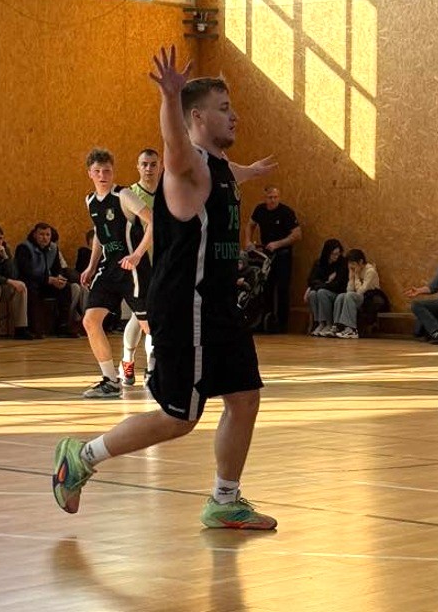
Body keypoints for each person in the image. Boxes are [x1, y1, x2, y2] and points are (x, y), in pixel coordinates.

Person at [52, 46, 279, 529]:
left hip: (219, 308)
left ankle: (225, 500)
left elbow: (228, 173)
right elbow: (174, 147)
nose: (234, 116)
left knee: (244, 398)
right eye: (224, 108)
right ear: (197, 117)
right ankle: (81, 457)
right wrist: (169, 98)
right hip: (186, 310)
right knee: (179, 418)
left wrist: (252, 172)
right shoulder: (187, 166)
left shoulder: (218, 168)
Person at [78, 147, 154, 400]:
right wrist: (91, 266)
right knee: (90, 321)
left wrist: (138, 255)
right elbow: (100, 234)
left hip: (132, 268)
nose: (103, 175)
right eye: (98, 171)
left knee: (149, 326)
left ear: (113, 172)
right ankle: (110, 380)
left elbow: (153, 221)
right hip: (108, 268)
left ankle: (169, 372)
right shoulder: (90, 200)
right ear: (90, 173)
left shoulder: (124, 195)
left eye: (107, 171)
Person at [120, 148, 162, 385]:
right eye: (144, 164)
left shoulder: (168, 193)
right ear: (137, 167)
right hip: (140, 265)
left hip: (164, 263)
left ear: (160, 166)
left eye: (153, 164)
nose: (148, 168)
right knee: (141, 316)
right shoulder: (130, 195)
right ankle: (129, 361)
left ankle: (151, 368)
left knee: (151, 316)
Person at [248, 186, 302, 333]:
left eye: (275, 197)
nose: (272, 200)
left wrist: (278, 244)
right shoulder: (260, 210)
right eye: (270, 197)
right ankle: (266, 322)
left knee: (282, 288)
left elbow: (297, 235)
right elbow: (250, 224)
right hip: (266, 255)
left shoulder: (286, 212)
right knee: (266, 287)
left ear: (279, 197)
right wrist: (248, 241)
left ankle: (282, 324)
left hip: (282, 254)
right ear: (265, 198)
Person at [15, 223, 77, 338]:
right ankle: (34, 329)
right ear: (35, 235)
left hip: (46, 282)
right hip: (30, 282)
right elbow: (26, 272)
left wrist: (59, 278)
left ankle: (63, 326)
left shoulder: (53, 248)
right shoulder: (24, 248)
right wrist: (48, 280)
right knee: (31, 289)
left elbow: (57, 268)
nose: (45, 238)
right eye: (41, 234)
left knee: (66, 288)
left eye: (48, 235)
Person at [332, 249, 381, 339]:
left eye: (353, 263)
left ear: (361, 262)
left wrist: (357, 276)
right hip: (358, 297)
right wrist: (351, 278)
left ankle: (351, 329)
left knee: (349, 295)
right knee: (341, 296)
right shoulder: (353, 270)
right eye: (349, 263)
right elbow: (349, 290)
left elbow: (361, 291)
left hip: (370, 298)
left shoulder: (370, 271)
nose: (351, 266)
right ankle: (338, 325)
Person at [306, 239, 349, 337]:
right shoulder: (319, 263)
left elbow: (338, 284)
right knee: (312, 294)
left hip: (337, 292)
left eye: (338, 254)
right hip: (324, 289)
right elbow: (311, 280)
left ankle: (328, 323)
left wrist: (321, 285)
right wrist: (326, 283)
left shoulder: (342, 263)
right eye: (334, 254)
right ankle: (320, 323)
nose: (336, 256)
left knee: (321, 292)